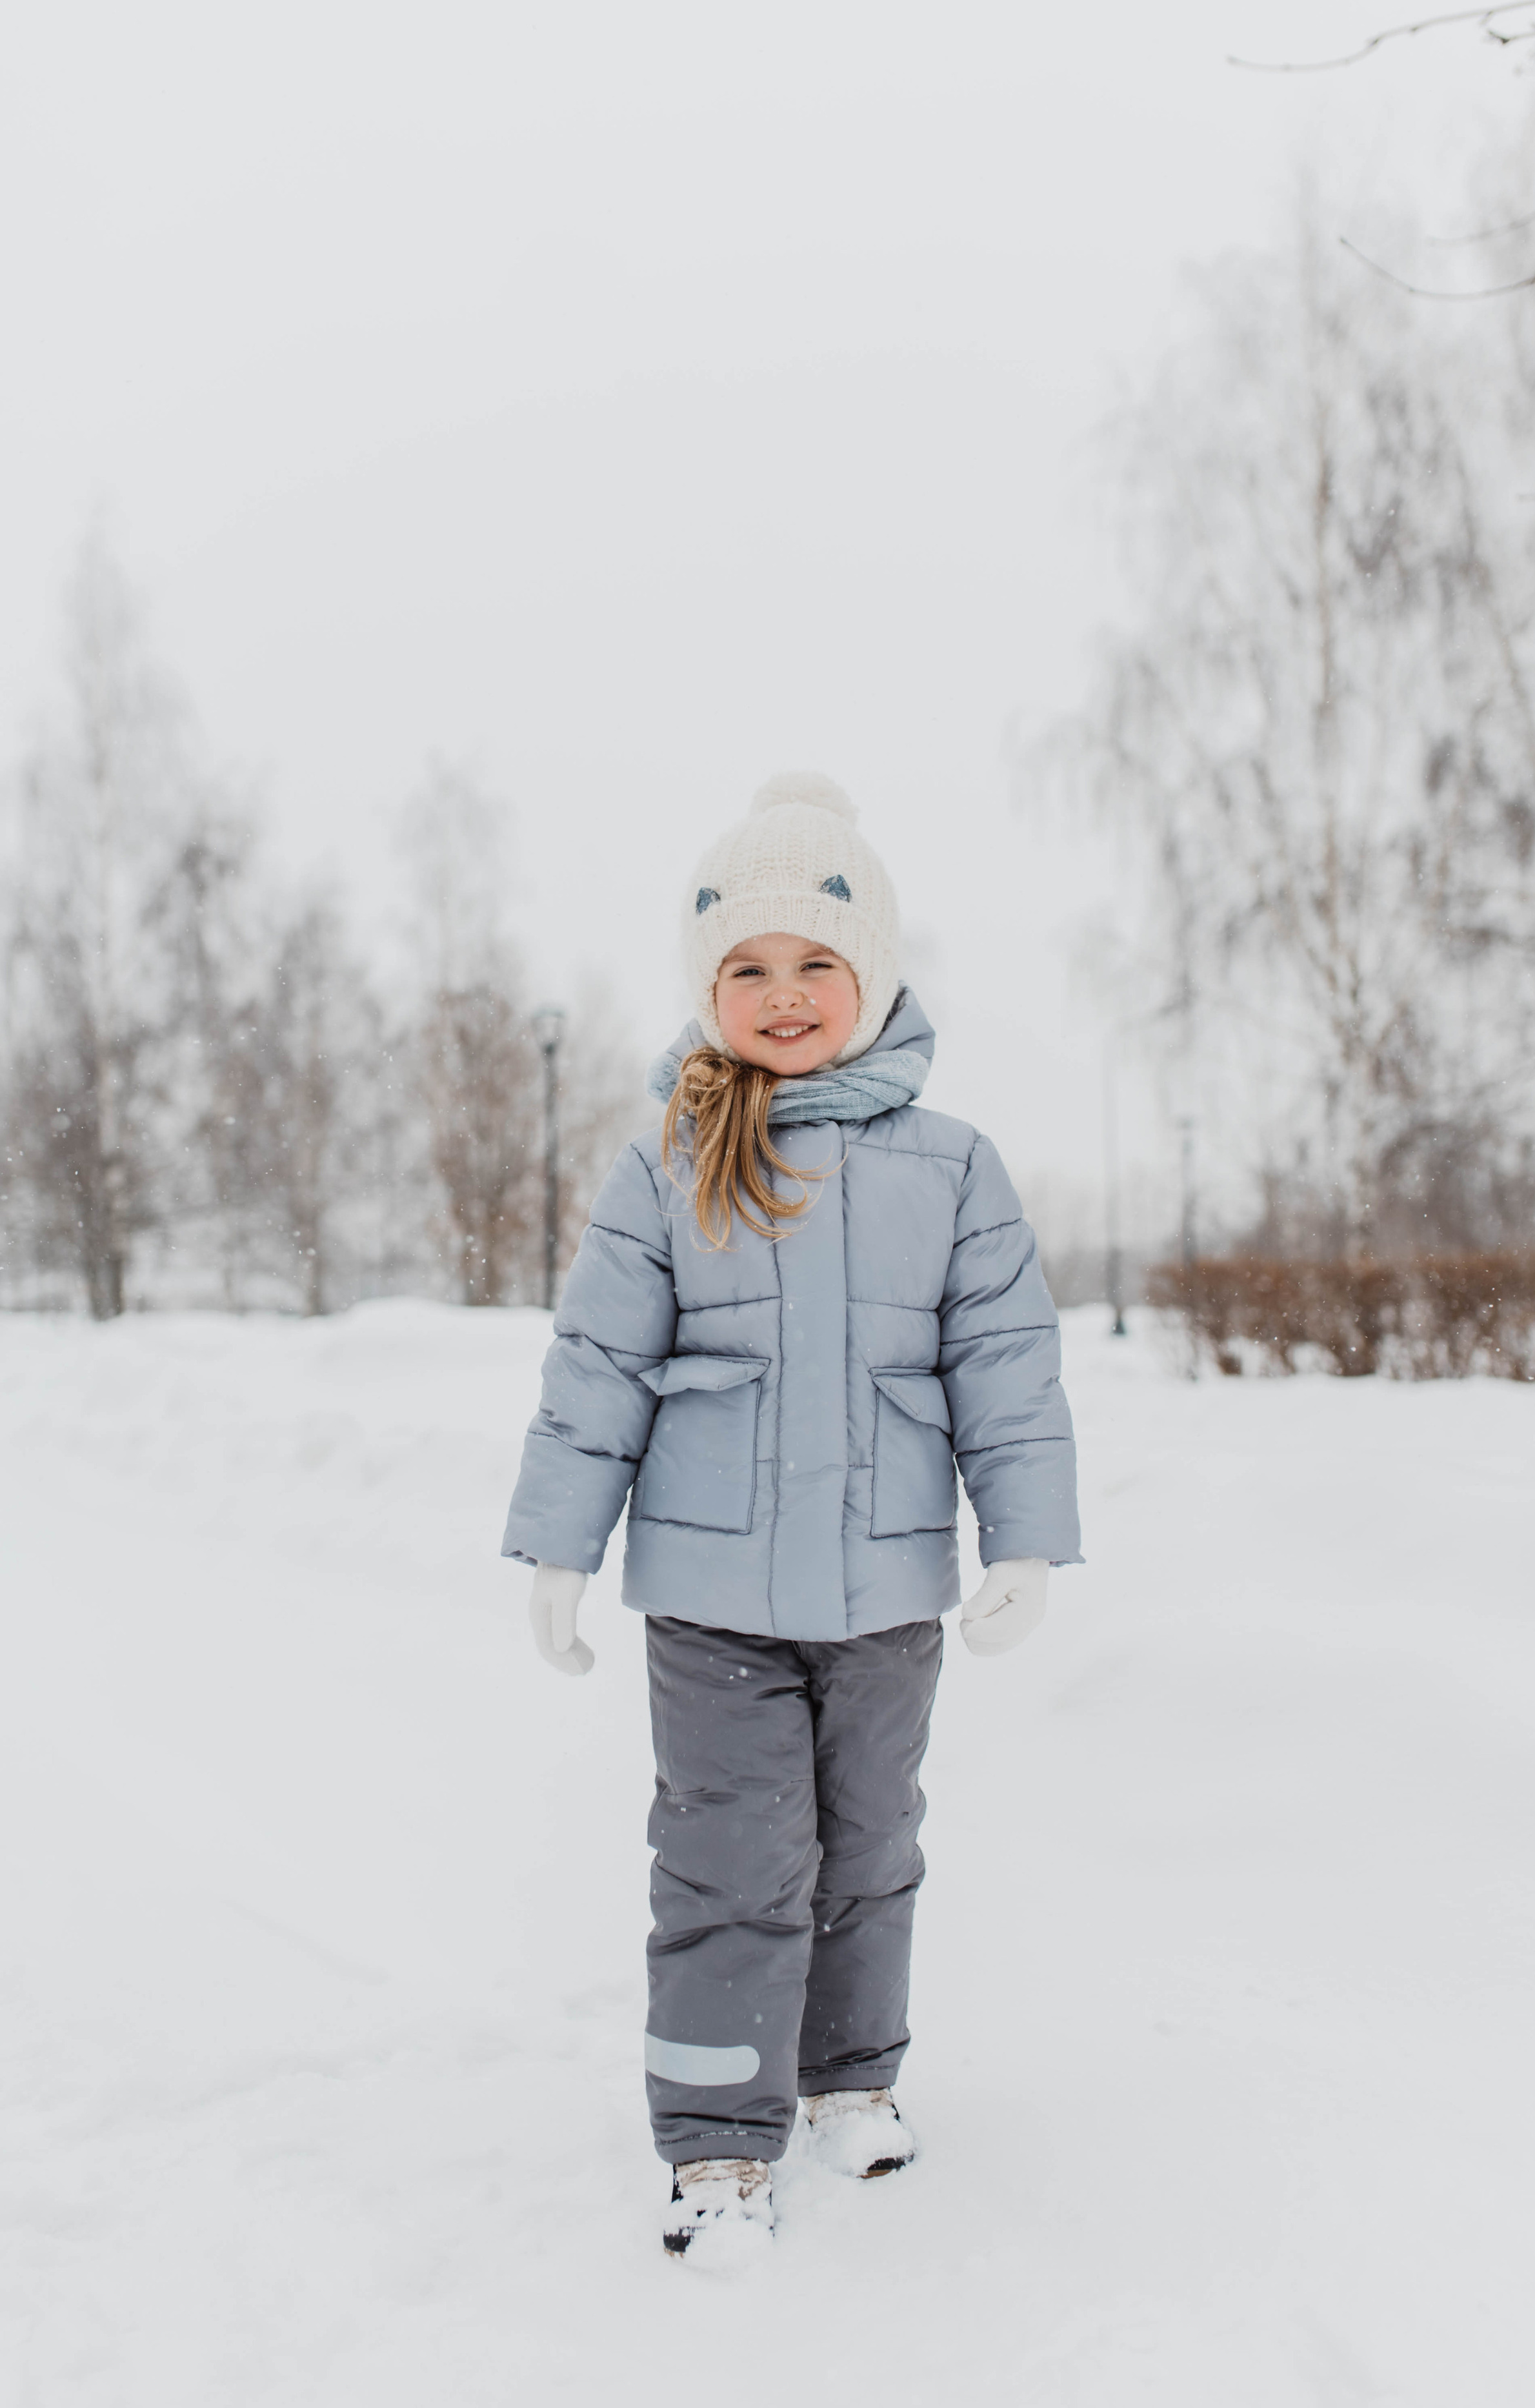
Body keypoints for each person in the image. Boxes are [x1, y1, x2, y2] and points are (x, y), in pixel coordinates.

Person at [501, 773, 1081, 2263]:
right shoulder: (669, 1158)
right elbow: (599, 1366)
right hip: (708, 1599)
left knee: (869, 1842)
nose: (779, 995)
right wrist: (560, 1543)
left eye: (814, 962)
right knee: (729, 1859)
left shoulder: (954, 1168)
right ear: (703, 991)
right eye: (743, 969)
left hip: (885, 1596)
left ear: (872, 974)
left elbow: (1003, 1368)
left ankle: (850, 2075)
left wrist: (1019, 1536)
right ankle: (712, 2140)